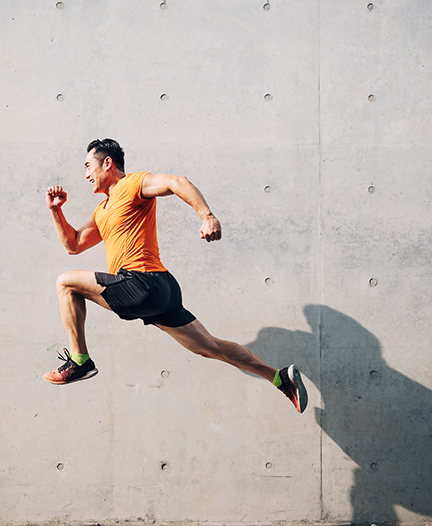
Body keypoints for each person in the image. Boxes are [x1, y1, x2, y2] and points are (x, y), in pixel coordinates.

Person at [43, 138, 307, 413]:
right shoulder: (102, 211)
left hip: (141, 283)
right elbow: (73, 244)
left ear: (107, 163)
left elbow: (176, 182)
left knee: (65, 283)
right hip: (162, 290)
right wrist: (56, 210)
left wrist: (207, 216)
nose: (85, 175)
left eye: (88, 166)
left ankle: (80, 360)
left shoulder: (132, 185)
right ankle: (280, 377)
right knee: (210, 347)